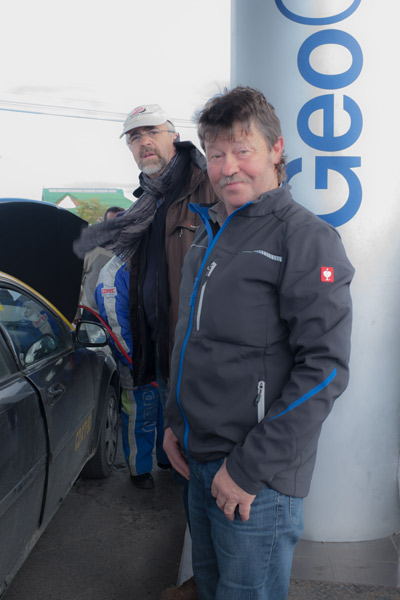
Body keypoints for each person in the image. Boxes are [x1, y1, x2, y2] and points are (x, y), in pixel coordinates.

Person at [163, 86, 355, 600]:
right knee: (210, 590)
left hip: (254, 479)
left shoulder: (305, 238)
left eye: (242, 150)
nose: (227, 168)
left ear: (276, 150)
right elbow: (191, 341)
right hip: (198, 460)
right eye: (216, 154)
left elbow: (325, 370)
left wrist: (247, 470)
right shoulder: (210, 232)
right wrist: (175, 423)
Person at [95, 254, 168, 489]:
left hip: (161, 355)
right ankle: (140, 469)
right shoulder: (112, 272)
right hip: (135, 360)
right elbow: (115, 323)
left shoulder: (154, 257)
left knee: (165, 410)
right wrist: (134, 359)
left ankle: (167, 458)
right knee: (140, 413)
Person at [76, 206, 125, 322]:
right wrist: (76, 314)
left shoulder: (132, 250)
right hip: (93, 314)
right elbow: (75, 281)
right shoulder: (90, 249)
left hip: (121, 314)